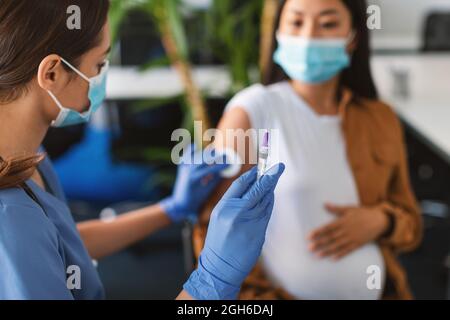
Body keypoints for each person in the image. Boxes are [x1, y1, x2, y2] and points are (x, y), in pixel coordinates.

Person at [0, 0, 285, 300]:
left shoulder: (28, 156)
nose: (101, 78)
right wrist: (213, 279)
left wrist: (171, 208)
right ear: (52, 74)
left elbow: (63, 246)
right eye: (98, 65)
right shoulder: (11, 218)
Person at [197, 0, 423, 300]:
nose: (308, 37)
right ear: (278, 30)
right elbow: (213, 231)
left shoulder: (380, 118)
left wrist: (382, 221)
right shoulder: (252, 111)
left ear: (353, 37)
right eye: (296, 22)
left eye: (328, 24)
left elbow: (412, 225)